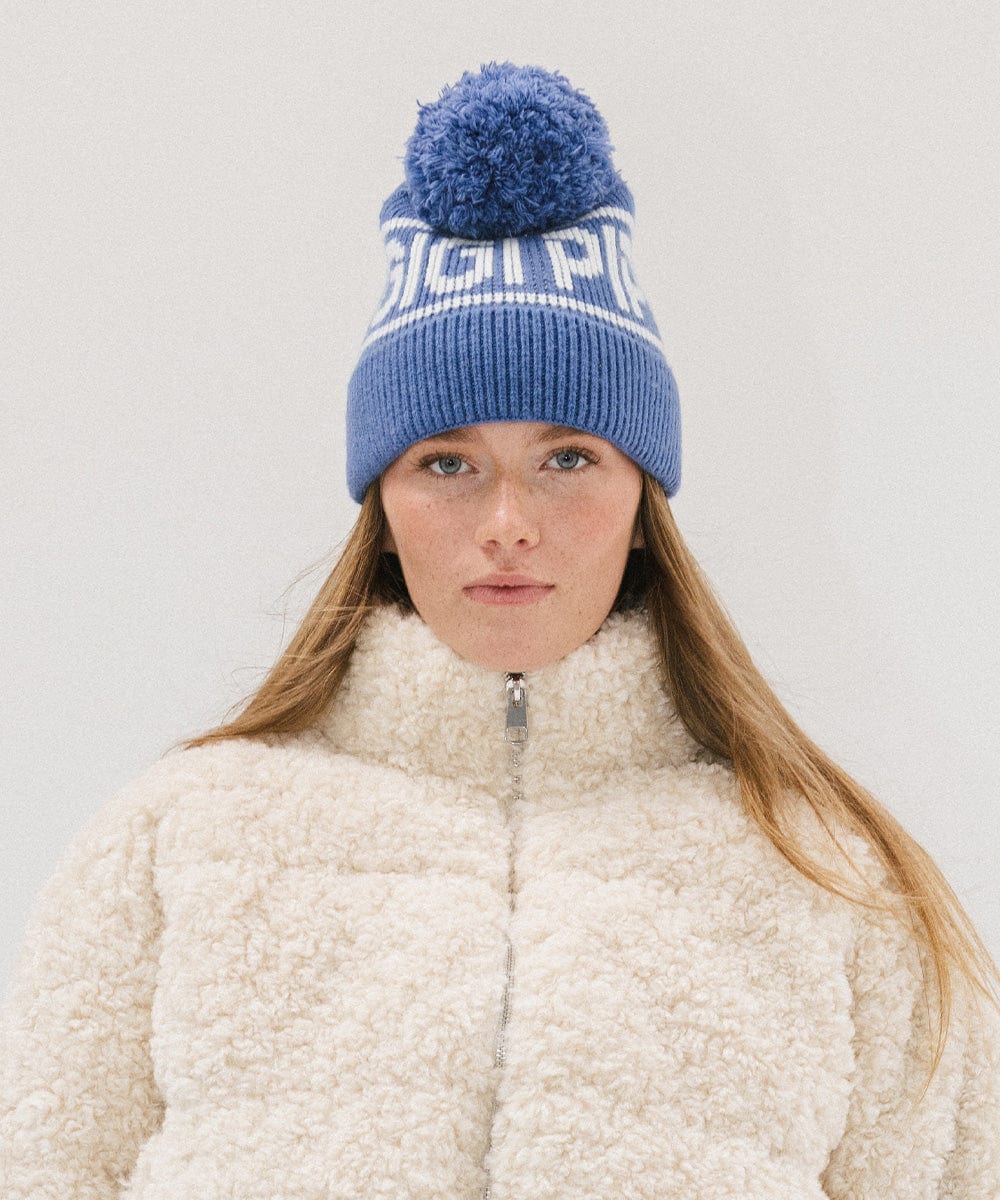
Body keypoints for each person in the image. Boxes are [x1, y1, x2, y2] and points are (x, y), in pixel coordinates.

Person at [1, 61, 997, 1200]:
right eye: (447, 464)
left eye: (567, 457)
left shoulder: (828, 877)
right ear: (381, 506)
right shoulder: (177, 846)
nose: (508, 524)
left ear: (642, 506)